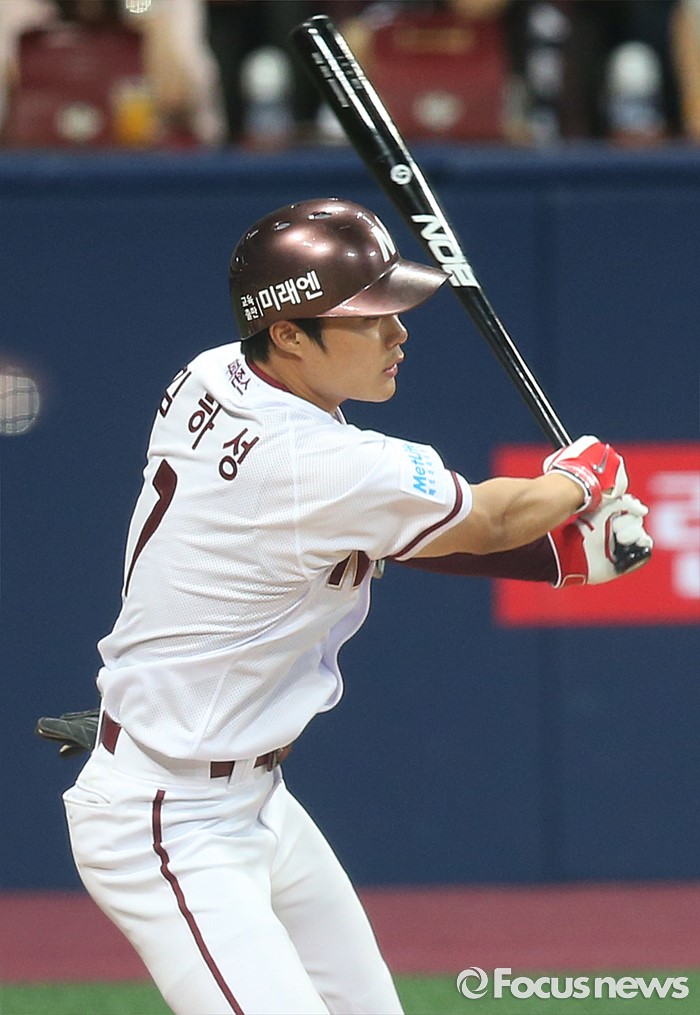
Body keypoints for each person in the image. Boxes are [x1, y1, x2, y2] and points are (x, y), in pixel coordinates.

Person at [52, 197, 651, 1015]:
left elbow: (370, 528)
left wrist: (562, 558)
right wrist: (581, 479)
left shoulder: (214, 371)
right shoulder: (317, 458)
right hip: (169, 823)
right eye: (368, 317)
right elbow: (490, 517)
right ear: (289, 334)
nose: (398, 332)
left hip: (248, 794)